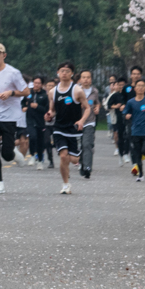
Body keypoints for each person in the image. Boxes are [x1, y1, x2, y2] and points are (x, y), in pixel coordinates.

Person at [0, 43, 27, 194]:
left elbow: (26, 91)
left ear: (4, 55)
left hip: (9, 116)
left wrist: (11, 93)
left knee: (6, 155)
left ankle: (14, 153)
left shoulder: (13, 73)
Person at [48, 61, 90, 194]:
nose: (64, 73)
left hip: (73, 129)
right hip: (59, 128)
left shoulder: (77, 90)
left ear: (72, 73)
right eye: (62, 71)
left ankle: (79, 160)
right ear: (58, 73)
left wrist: (82, 120)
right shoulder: (52, 92)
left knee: (74, 159)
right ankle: (65, 184)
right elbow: (52, 110)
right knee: (63, 156)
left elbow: (88, 108)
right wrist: (49, 114)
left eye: (67, 71)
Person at [126, 79, 145, 181]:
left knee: (144, 149)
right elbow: (124, 113)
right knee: (137, 154)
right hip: (135, 131)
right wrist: (127, 115)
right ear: (135, 88)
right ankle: (141, 175)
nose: (140, 88)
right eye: (138, 86)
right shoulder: (131, 102)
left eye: (143, 86)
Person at [77, 69, 100, 179]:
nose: (86, 79)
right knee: (80, 146)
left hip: (90, 122)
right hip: (77, 122)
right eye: (84, 77)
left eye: (88, 77)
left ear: (91, 80)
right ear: (80, 79)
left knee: (87, 144)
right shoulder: (75, 91)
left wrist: (97, 108)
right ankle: (82, 162)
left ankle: (87, 167)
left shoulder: (94, 91)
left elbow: (97, 103)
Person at [24, 76, 51, 168]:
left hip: (40, 120)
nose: (36, 85)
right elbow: (23, 102)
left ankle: (40, 160)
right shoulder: (29, 93)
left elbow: (47, 109)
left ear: (42, 85)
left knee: (40, 141)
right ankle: (32, 155)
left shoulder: (44, 95)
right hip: (30, 119)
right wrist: (24, 107)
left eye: (38, 83)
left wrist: (37, 106)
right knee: (32, 137)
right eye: (35, 83)